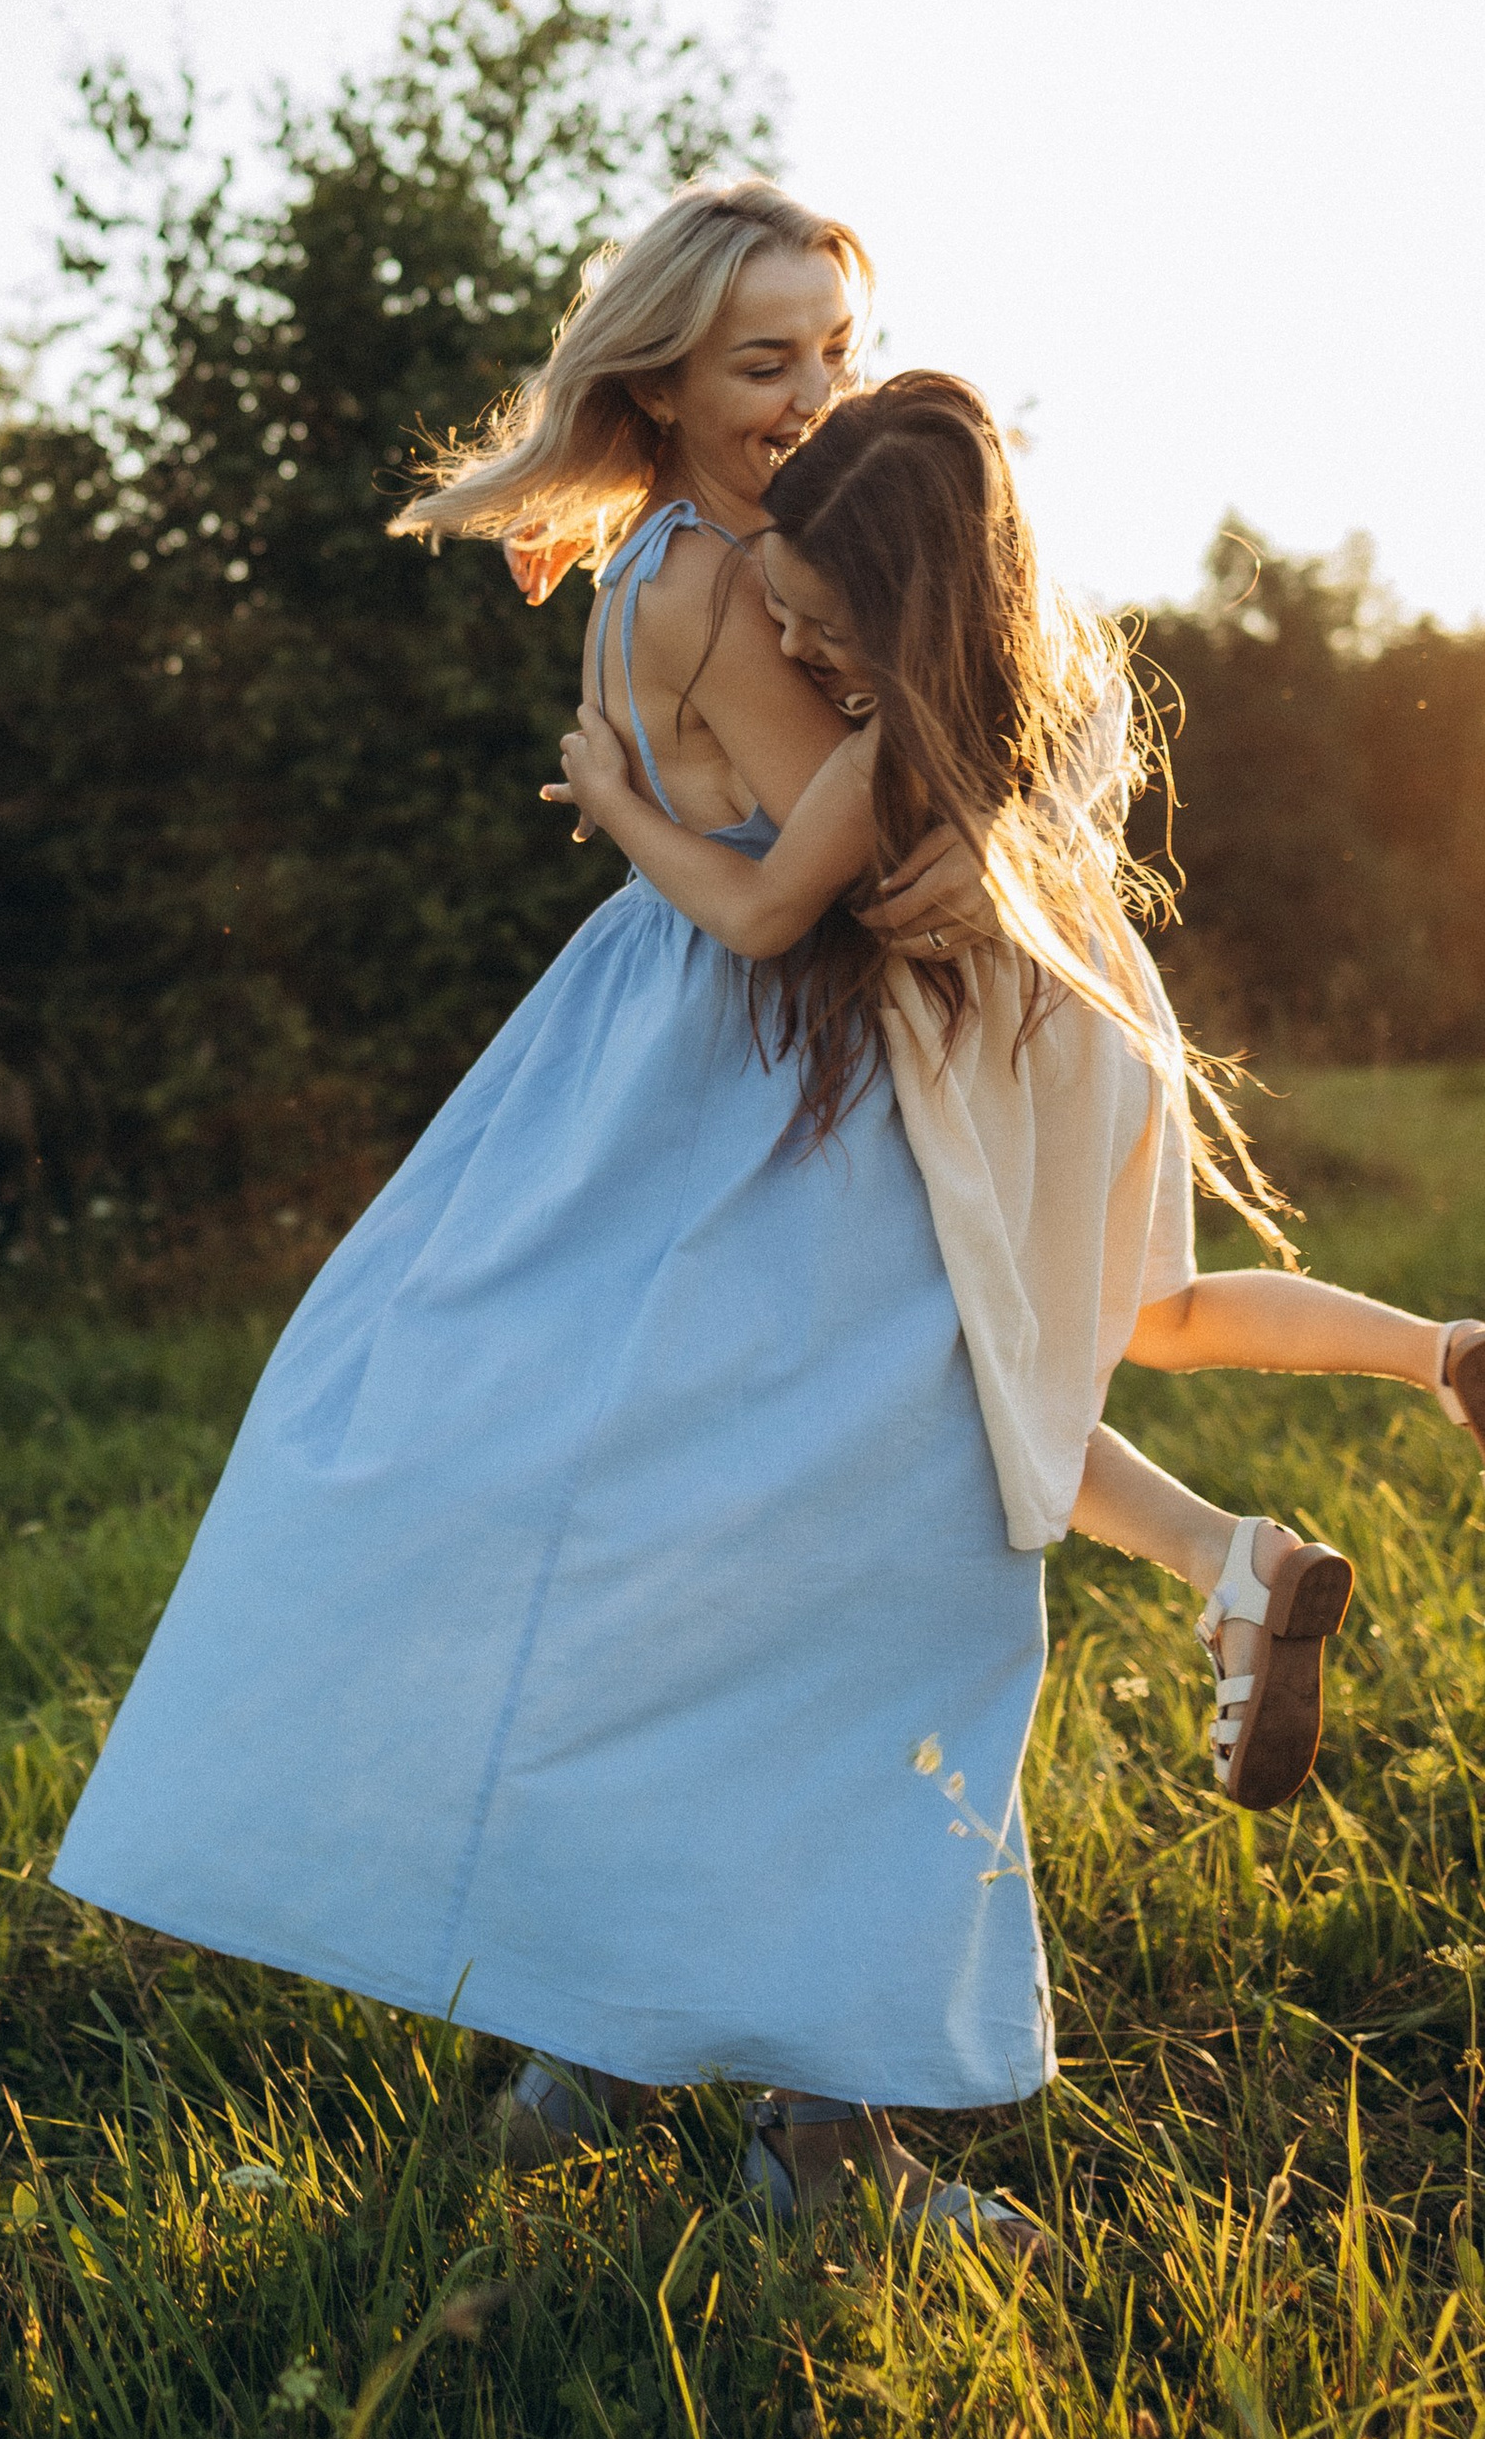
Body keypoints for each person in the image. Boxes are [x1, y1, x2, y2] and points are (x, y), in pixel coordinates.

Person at [52, 182, 1071, 2247]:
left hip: (673, 1077)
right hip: (785, 1104)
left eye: (835, 350)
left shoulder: (669, 553)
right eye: (762, 360)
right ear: (662, 381)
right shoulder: (717, 581)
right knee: (875, 1589)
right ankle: (817, 2144)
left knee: (670, 1563)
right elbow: (852, 882)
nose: (812, 394)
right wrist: (997, 824)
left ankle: (590, 2039)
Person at [551, 369, 1485, 1911]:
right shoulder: (1055, 672)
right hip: (1098, 1018)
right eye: (777, 612)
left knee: (1000, 1380)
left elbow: (763, 910)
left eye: (820, 629)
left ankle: (1228, 1560)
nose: (790, 647)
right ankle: (1436, 1359)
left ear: (904, 619)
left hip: (993, 1054)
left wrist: (617, 798)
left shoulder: (888, 760)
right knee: (1159, 1316)